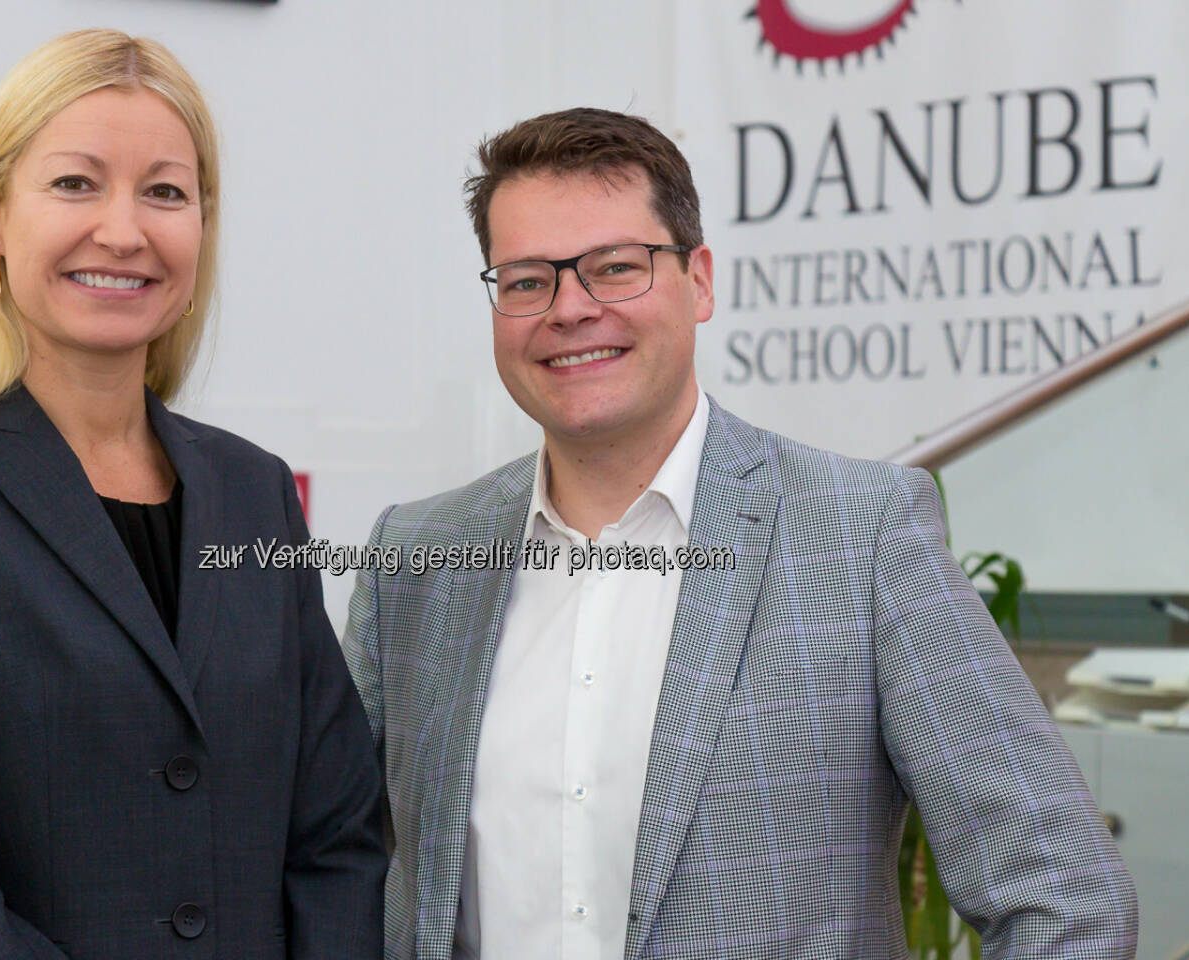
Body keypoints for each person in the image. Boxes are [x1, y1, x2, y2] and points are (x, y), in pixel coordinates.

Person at [341, 108, 1137, 959]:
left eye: (615, 267)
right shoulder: (415, 560)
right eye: (528, 279)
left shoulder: (860, 535)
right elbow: (319, 865)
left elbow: (1067, 900)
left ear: (701, 281)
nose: (570, 309)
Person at [0, 29, 384, 959]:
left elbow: (337, 836)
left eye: (166, 192)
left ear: (202, 227)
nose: (124, 229)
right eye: (75, 183)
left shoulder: (254, 493)